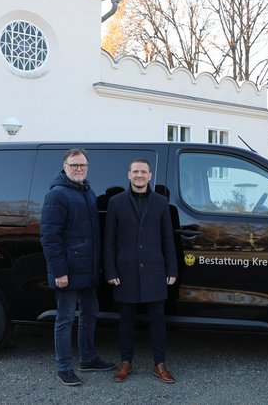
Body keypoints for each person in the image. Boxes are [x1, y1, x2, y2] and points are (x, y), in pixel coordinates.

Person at [41, 148, 115, 386]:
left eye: (82, 165)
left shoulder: (87, 192)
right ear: (65, 167)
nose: (79, 169)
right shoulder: (58, 195)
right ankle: (63, 367)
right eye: (74, 166)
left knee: (90, 313)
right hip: (68, 272)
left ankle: (88, 358)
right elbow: (50, 237)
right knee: (64, 320)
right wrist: (59, 272)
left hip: (88, 270)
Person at [104, 158, 178, 384]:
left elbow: (168, 238)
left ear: (150, 175)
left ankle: (160, 364)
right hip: (125, 272)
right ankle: (126, 362)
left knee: (157, 319)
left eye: (143, 172)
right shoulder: (116, 203)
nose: (139, 175)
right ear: (128, 175)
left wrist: (171, 268)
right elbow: (109, 240)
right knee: (126, 320)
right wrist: (110, 270)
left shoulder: (161, 202)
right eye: (135, 171)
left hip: (155, 270)